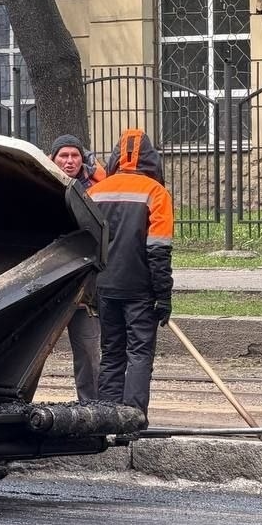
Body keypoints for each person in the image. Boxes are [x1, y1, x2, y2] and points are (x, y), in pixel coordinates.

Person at [86, 128, 173, 420]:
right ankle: (132, 418)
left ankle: (106, 417)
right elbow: (158, 251)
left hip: (105, 287)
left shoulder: (95, 192)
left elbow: (85, 245)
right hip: (139, 290)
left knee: (111, 353)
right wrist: (163, 296)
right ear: (151, 158)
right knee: (139, 355)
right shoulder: (156, 193)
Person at [49, 133, 106, 402]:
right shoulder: (42, 185)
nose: (69, 161)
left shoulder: (99, 191)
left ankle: (90, 407)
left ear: (82, 159)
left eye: (74, 156)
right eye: (64, 156)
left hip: (85, 291)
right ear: (53, 159)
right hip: (49, 288)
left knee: (88, 353)